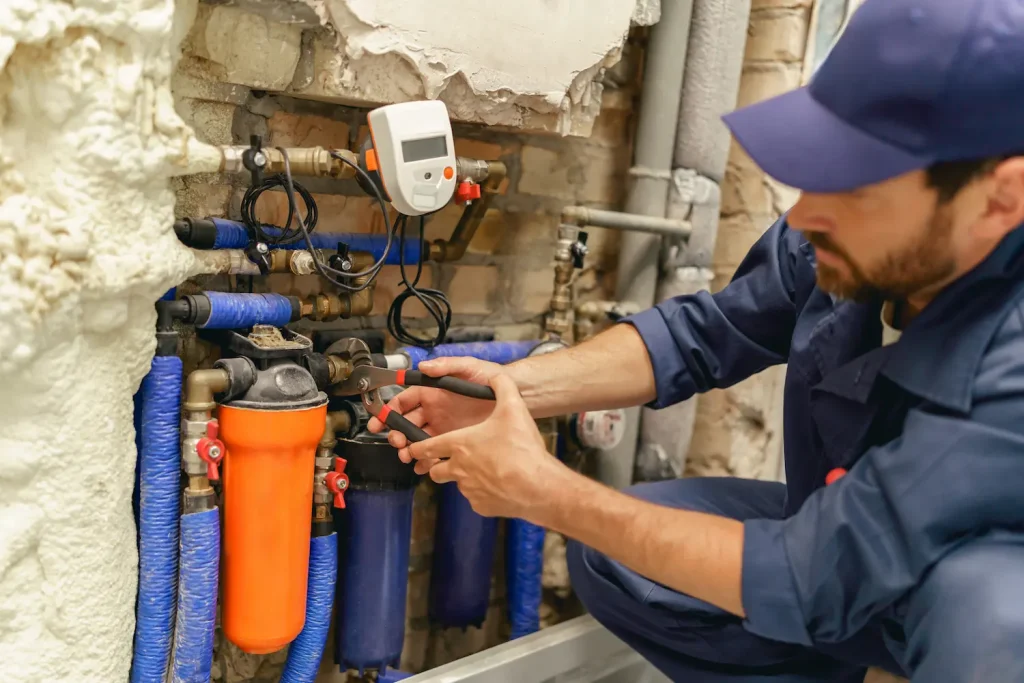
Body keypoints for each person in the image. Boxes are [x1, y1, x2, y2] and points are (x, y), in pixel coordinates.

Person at [369, 0, 1024, 680]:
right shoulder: (850, 234)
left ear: (1001, 200)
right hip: (841, 548)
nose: (804, 215)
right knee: (618, 553)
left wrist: (543, 490)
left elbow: (818, 572)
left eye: (854, 187)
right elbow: (709, 332)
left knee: (988, 615)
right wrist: (515, 389)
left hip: (931, 589)